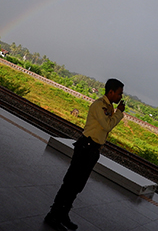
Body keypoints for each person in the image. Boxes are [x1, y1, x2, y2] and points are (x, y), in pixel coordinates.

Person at [44, 78, 125, 231]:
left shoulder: (107, 107)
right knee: (70, 183)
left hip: (92, 150)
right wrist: (120, 112)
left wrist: (116, 111)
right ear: (111, 92)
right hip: (86, 148)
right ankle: (53, 215)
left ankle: (63, 214)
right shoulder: (99, 105)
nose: (121, 97)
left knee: (77, 185)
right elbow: (107, 126)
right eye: (119, 93)